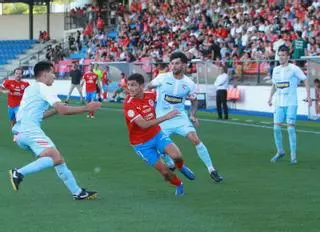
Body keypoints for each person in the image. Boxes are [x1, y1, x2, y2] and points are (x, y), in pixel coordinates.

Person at [8, 61, 101, 200]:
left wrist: (55, 110)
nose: (54, 76)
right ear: (44, 74)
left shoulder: (30, 89)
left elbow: (41, 115)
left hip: (20, 132)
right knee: (54, 157)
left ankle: (78, 192)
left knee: (58, 158)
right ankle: (18, 173)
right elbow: (63, 111)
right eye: (52, 73)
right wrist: (87, 108)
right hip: (30, 130)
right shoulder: (44, 88)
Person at [147, 52, 223, 183]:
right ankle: (171, 163)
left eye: (176, 63)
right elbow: (148, 87)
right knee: (160, 146)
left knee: (195, 139)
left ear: (183, 65)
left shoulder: (189, 83)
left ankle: (212, 170)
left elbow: (194, 101)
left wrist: (193, 115)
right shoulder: (162, 78)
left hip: (179, 117)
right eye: (171, 63)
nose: (173, 66)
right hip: (163, 118)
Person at [123, 73, 195, 196]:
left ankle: (181, 167)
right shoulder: (128, 104)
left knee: (177, 157)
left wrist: (186, 97)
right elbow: (144, 125)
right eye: (128, 85)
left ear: (141, 86)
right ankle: (179, 184)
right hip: (141, 144)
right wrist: (166, 117)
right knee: (165, 173)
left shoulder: (151, 95)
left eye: (133, 85)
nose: (130, 88)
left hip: (156, 134)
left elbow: (168, 97)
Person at [268, 45, 311, 164]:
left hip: (291, 103)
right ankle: (280, 151)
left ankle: (293, 155)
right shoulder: (276, 70)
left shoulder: (294, 68)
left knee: (290, 129)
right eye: (279, 55)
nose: (281, 57)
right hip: (278, 103)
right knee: (276, 128)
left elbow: (305, 79)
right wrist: (270, 97)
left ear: (288, 56)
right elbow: (274, 85)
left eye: (283, 55)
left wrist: (308, 95)